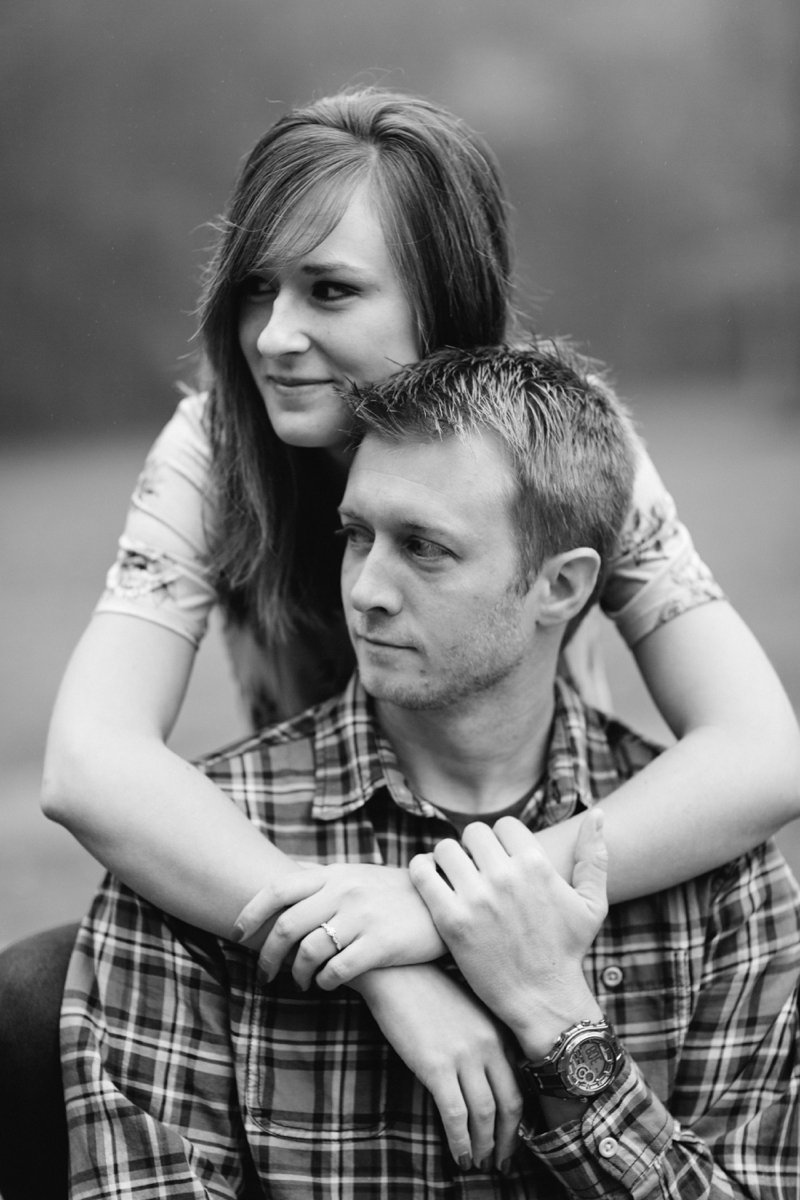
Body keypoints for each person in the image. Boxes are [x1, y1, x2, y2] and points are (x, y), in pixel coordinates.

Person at [0, 86, 797, 1199]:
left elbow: (760, 751)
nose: (274, 336)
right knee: (39, 994)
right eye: (254, 292)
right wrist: (372, 954)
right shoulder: (215, 445)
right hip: (310, 831)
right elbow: (92, 763)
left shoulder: (560, 440)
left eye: (329, 290)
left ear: (441, 305)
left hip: (533, 827)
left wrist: (435, 908)